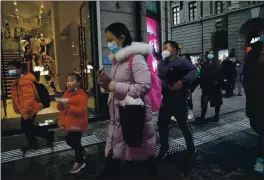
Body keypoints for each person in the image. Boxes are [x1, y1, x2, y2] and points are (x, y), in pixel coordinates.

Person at [97, 22, 157, 179]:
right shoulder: (118, 61)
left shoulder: (135, 59)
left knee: (138, 155)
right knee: (121, 152)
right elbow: (113, 85)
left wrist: (116, 86)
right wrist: (104, 80)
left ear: (121, 38)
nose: (108, 44)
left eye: (111, 40)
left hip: (132, 115)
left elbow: (143, 86)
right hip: (119, 116)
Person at [157, 41, 196, 160]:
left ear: (174, 49)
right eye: (163, 48)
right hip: (165, 98)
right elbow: (159, 78)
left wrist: (182, 82)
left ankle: (191, 149)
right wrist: (165, 85)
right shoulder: (161, 63)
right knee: (162, 124)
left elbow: (194, 70)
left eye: (166, 48)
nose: (163, 50)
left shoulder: (182, 61)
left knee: (183, 125)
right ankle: (164, 147)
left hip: (179, 99)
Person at [8, 60, 54, 151]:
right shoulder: (19, 80)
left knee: (27, 127)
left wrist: (26, 109)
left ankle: (47, 136)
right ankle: (34, 143)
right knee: (28, 127)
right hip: (25, 108)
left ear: (20, 69)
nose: (10, 71)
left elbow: (29, 97)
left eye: (12, 69)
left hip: (29, 108)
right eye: (9, 70)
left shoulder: (24, 81)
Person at [57, 73, 88, 174]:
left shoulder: (82, 95)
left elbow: (81, 111)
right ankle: (81, 151)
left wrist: (68, 106)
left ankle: (80, 162)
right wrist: (61, 104)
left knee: (75, 142)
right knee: (68, 140)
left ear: (78, 83)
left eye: (71, 81)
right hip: (68, 122)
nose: (69, 83)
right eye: (67, 81)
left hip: (78, 123)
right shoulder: (67, 93)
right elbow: (60, 108)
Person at [243, 40, 264, 174]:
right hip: (258, 101)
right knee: (258, 126)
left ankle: (260, 157)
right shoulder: (253, 55)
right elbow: (248, 80)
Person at [196, 49, 223, 123]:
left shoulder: (218, 65)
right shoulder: (205, 64)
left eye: (212, 53)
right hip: (206, 86)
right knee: (204, 102)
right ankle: (202, 116)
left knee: (217, 102)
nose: (210, 55)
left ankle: (216, 115)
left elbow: (220, 76)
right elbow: (202, 75)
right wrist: (201, 85)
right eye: (209, 53)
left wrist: (219, 85)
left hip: (215, 87)